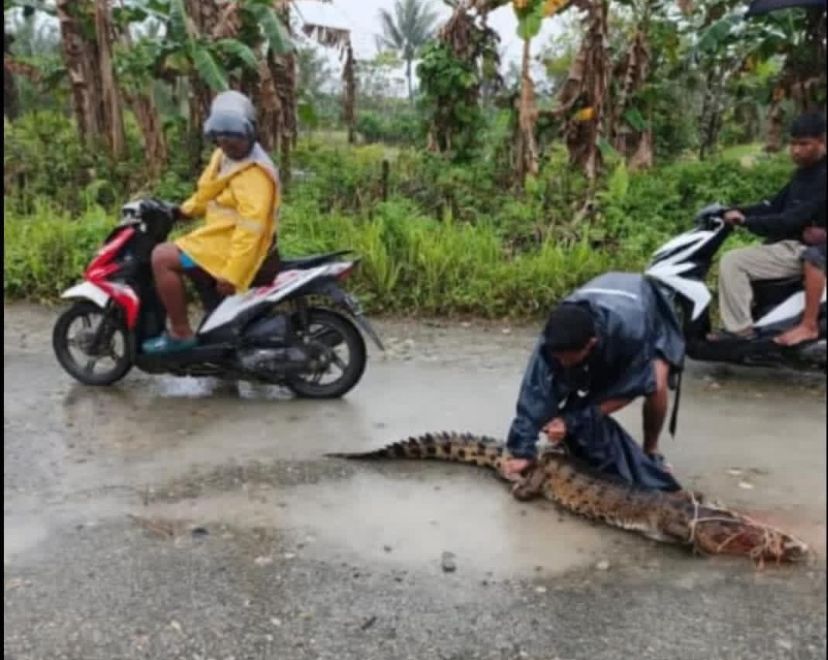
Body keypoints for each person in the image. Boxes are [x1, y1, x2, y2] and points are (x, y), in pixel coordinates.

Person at [502, 272, 685, 492]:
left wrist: (574, 420)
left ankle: (651, 449)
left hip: (650, 312)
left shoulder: (631, 335)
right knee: (563, 381)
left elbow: (629, 389)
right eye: (558, 357)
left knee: (656, 381)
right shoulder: (555, 336)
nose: (561, 363)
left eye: (567, 358)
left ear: (591, 344)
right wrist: (522, 449)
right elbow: (535, 390)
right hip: (604, 299)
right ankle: (569, 437)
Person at [143, 91, 281, 355]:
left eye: (235, 135)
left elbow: (251, 231)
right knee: (178, 253)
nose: (228, 141)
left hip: (232, 250)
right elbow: (208, 191)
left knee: (162, 257)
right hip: (219, 240)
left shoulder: (255, 175)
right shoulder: (224, 156)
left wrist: (233, 274)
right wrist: (182, 211)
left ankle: (181, 334)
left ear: (250, 132)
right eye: (222, 135)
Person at [710, 112, 826, 342]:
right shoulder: (804, 174)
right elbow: (774, 206)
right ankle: (763, 320)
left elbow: (790, 219)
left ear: (823, 140)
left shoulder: (822, 176)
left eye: (804, 144)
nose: (796, 150)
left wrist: (746, 221)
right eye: (793, 144)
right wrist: (734, 210)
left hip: (807, 248)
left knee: (734, 262)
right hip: (797, 243)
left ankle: (741, 333)